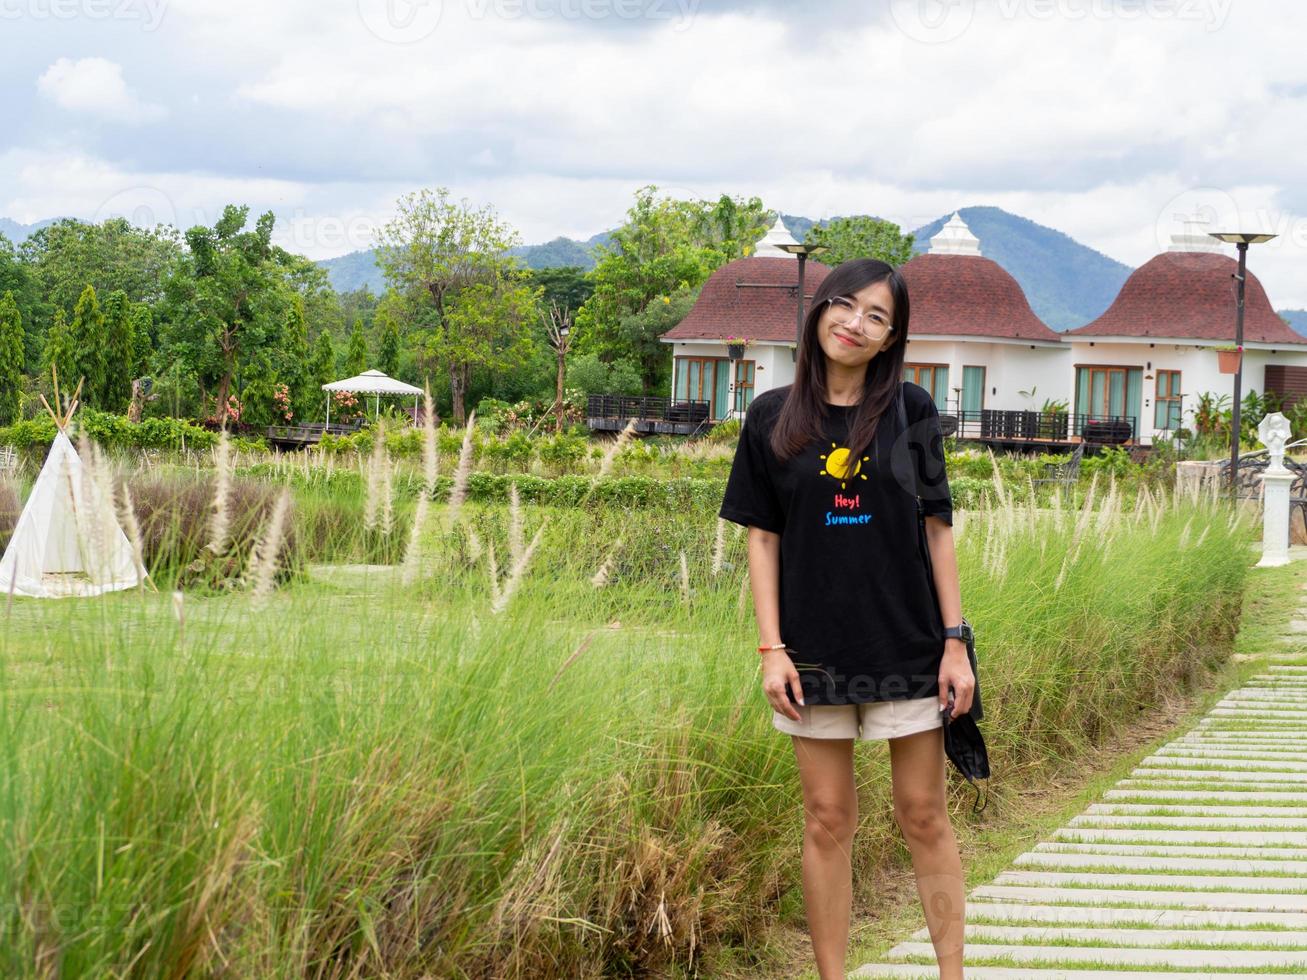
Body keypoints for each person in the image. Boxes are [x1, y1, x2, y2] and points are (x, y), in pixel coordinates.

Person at [718, 258, 972, 980]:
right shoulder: (770, 416)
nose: (853, 324)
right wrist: (771, 648)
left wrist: (955, 643)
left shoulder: (910, 410)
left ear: (891, 337)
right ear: (819, 310)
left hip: (906, 642)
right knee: (826, 821)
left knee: (923, 816)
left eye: (875, 317)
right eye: (843, 305)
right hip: (813, 653)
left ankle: (951, 974)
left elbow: (935, 527)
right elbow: (760, 536)